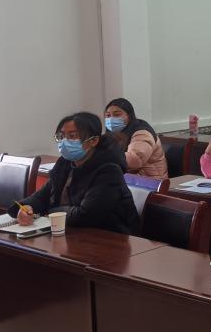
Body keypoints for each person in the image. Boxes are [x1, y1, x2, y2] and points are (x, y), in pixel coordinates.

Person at [10, 112, 139, 234]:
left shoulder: (109, 171)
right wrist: (25, 208)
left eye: (72, 136)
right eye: (61, 136)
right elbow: (42, 197)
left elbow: (85, 216)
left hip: (112, 238)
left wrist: (50, 212)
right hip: (76, 233)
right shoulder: (64, 164)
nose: (64, 141)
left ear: (94, 141)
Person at [104, 98, 168, 180]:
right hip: (130, 179)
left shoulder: (143, 133)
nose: (111, 119)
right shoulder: (114, 133)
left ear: (129, 116)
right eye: (108, 116)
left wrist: (105, 156)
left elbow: (135, 159)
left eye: (117, 115)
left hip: (151, 182)